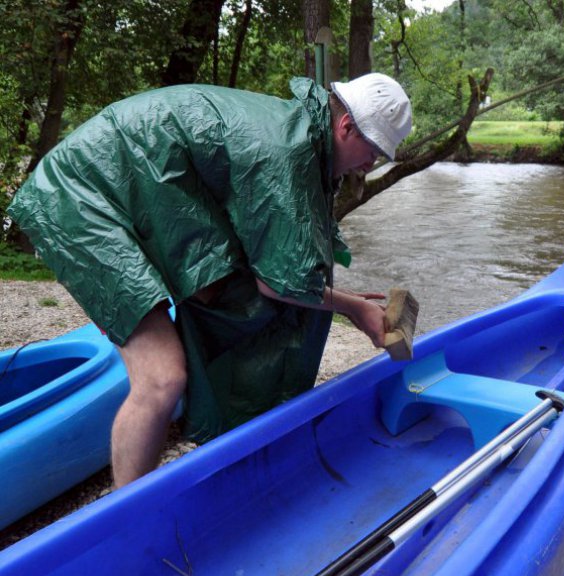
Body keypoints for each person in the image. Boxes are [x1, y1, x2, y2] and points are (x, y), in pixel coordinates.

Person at [7, 73, 412, 487]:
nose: (371, 164)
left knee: (217, 290)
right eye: (374, 150)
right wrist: (354, 307)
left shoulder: (300, 134)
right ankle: (126, 515)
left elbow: (275, 266)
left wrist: (325, 293)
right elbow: (276, 284)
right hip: (81, 195)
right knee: (163, 379)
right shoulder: (284, 150)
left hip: (132, 187)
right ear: (345, 127)